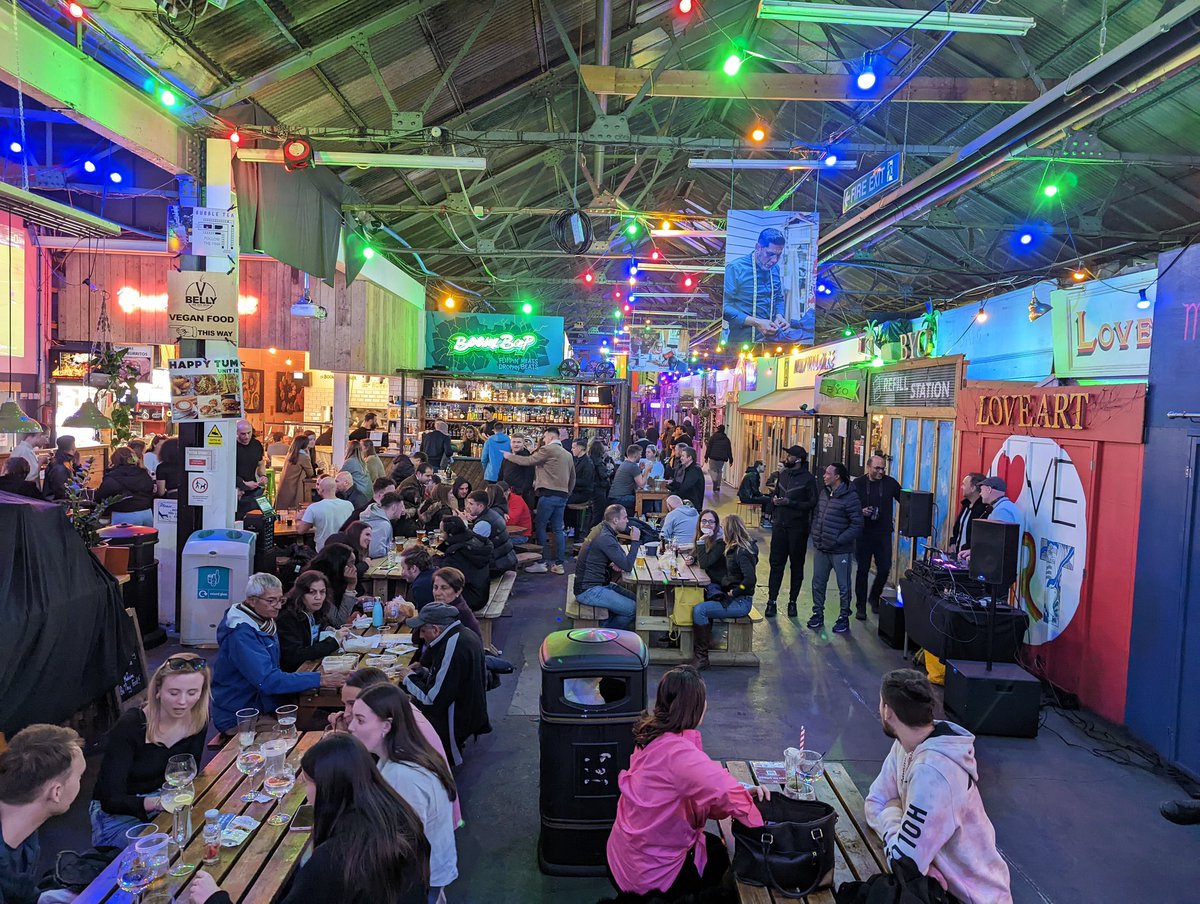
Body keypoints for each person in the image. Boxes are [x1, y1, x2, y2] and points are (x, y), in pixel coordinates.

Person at [188, 734, 430, 904]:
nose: (304, 789)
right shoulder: (400, 816)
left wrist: (214, 898)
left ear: (328, 788)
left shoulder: (333, 861)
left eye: (307, 781)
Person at [607, 666, 766, 899]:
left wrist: (740, 791)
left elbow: (698, 790)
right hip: (650, 875)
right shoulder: (679, 754)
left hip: (624, 855)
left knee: (715, 850)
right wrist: (765, 823)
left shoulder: (652, 734)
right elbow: (722, 791)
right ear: (695, 707)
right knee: (722, 864)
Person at [865, 669, 1013, 904]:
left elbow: (904, 863)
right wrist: (921, 859)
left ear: (887, 711)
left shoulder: (934, 774)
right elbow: (875, 801)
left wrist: (892, 813)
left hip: (971, 898)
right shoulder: (905, 744)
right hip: (941, 887)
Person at [349, 685, 459, 897]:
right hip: (429, 872)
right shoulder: (401, 756)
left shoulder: (402, 776)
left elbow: (403, 846)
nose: (351, 727)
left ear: (386, 726)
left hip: (421, 881)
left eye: (360, 720)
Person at [89, 653, 210, 846]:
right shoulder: (132, 725)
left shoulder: (198, 721)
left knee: (207, 836)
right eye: (174, 692)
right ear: (158, 690)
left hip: (164, 797)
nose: (182, 702)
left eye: (192, 693)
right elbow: (110, 799)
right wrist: (157, 803)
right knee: (163, 852)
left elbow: (188, 776)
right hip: (118, 813)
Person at [210, 573, 344, 733]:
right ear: (252, 601)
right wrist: (319, 679)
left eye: (280, 600)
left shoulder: (264, 620)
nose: (278, 606)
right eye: (271, 600)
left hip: (267, 703)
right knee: (313, 735)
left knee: (333, 720)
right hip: (242, 714)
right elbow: (267, 680)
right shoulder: (241, 634)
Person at [0, 724, 87, 904]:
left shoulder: (24, 831)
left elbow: (15, 889)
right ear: (56, 792)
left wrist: (41, 898)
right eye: (79, 777)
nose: (80, 783)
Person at [400, 602, 491, 766]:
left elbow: (432, 700)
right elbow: (449, 678)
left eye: (422, 630)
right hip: (472, 708)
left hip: (456, 718)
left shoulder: (452, 646)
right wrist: (422, 672)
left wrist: (408, 678)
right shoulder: (463, 633)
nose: (420, 636)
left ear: (436, 630)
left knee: (398, 708)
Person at [722, 226, 813, 348]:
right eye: (770, 254)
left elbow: (778, 298)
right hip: (740, 341)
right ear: (758, 248)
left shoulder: (774, 269)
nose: (774, 260)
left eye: (778, 255)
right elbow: (725, 307)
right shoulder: (735, 268)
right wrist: (757, 322)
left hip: (771, 341)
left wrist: (779, 316)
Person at [501, 427, 575, 575]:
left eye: (544, 437)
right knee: (558, 529)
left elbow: (529, 461)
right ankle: (559, 564)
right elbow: (572, 478)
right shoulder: (568, 454)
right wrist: (567, 494)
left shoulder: (548, 450)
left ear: (549, 436)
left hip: (548, 495)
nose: (543, 439)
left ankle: (541, 562)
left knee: (540, 526)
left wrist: (510, 457)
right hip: (562, 495)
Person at [691, 515, 758, 670]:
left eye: (722, 527)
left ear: (729, 530)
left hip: (741, 602)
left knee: (699, 610)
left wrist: (735, 592)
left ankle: (701, 657)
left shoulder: (741, 552)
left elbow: (750, 580)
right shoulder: (736, 548)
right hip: (736, 598)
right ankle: (705, 648)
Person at [809, 463, 865, 635]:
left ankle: (843, 617)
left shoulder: (850, 497)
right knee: (818, 583)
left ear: (837, 477)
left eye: (828, 473)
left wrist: (838, 540)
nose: (824, 476)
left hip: (840, 551)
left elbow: (857, 524)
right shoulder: (824, 493)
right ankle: (817, 613)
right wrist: (816, 533)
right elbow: (818, 514)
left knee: (843, 586)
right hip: (822, 547)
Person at [766, 445, 818, 619]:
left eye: (789, 455)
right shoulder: (783, 475)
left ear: (798, 459)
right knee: (776, 564)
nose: (786, 457)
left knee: (796, 566)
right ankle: (771, 601)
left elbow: (812, 503)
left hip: (798, 528)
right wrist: (774, 502)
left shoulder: (809, 479)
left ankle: (792, 602)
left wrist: (790, 503)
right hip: (780, 526)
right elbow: (777, 492)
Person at [573, 504, 641, 630]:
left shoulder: (603, 528)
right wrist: (635, 541)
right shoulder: (605, 537)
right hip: (589, 590)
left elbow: (621, 557)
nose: (627, 521)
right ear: (615, 520)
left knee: (638, 601)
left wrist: (614, 561)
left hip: (598, 584)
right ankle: (605, 635)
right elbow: (627, 566)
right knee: (633, 609)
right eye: (625, 517)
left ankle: (607, 625)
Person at [852, 454, 903, 620]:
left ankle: (874, 597)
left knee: (884, 569)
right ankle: (860, 606)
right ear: (868, 467)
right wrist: (860, 512)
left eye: (883, 468)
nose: (881, 471)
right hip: (864, 533)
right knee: (862, 570)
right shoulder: (858, 484)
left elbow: (905, 500)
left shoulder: (890, 483)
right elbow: (848, 506)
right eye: (877, 468)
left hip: (883, 533)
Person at [277, 571, 353, 672]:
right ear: (301, 594)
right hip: (295, 673)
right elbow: (295, 656)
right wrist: (333, 641)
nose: (318, 597)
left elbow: (316, 630)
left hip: (313, 665)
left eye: (322, 592)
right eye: (312, 592)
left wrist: (327, 629)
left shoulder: (317, 610)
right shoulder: (287, 618)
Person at [439, 517, 492, 613]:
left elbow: (443, 573)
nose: (440, 534)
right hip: (481, 592)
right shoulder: (474, 540)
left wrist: (434, 558)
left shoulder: (456, 553)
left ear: (450, 534)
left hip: (471, 600)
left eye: (442, 531)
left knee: (431, 586)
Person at [96, 445, 156, 526]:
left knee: (123, 538)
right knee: (147, 538)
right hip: (146, 512)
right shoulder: (143, 473)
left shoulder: (113, 476)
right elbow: (151, 489)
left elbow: (101, 496)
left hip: (124, 514)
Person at [307, 542, 364, 624]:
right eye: (351, 563)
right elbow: (339, 621)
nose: (355, 568)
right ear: (338, 564)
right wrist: (351, 588)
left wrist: (357, 604)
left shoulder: (338, 580)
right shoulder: (318, 584)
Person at [465, 490, 517, 575]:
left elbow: (470, 546)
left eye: (471, 504)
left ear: (480, 506)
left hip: (495, 567)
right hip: (506, 561)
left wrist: (463, 523)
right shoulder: (492, 514)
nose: (467, 507)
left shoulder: (484, 523)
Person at [300, 476, 355, 551]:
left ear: (321, 490)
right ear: (335, 489)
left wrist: (299, 518)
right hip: (345, 549)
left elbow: (301, 530)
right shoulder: (349, 505)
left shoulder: (313, 508)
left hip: (323, 551)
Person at [682, 510, 726, 592]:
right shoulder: (704, 536)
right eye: (704, 521)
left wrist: (701, 541)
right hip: (706, 577)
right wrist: (692, 558)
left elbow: (704, 564)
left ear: (716, 524)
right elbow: (696, 551)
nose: (707, 524)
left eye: (711, 522)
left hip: (716, 583)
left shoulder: (721, 541)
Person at [947, 472, 988, 556]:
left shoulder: (983, 510)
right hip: (958, 555)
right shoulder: (966, 505)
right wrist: (953, 542)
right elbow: (958, 529)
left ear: (973, 488)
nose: (962, 487)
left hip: (970, 557)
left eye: (964, 485)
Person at [360, 491, 406, 559]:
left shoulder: (372, 514)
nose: (403, 510)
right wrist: (390, 547)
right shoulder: (383, 525)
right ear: (394, 507)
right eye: (401, 506)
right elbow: (375, 552)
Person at [235, 420, 266, 517]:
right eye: (243, 434)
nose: (247, 437)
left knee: (256, 520)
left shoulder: (256, 444)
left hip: (253, 491)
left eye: (249, 433)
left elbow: (260, 464)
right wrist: (242, 483)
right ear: (236, 433)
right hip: (237, 491)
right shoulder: (231, 446)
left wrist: (263, 476)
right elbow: (225, 471)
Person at [276, 434, 315, 510]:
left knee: (284, 508)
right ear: (305, 444)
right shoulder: (303, 456)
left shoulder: (291, 454)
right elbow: (311, 473)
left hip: (285, 486)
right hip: (295, 487)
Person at [500, 434, 535, 512]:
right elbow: (501, 473)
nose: (516, 444)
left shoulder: (527, 458)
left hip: (521, 495)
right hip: (506, 494)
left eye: (519, 442)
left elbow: (529, 478)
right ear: (510, 443)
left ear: (523, 444)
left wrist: (522, 492)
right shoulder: (507, 456)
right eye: (514, 442)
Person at [608, 444, 646, 516]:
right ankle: (641, 520)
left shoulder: (625, 463)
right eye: (640, 454)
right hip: (621, 498)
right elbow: (641, 484)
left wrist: (640, 469)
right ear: (635, 455)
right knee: (644, 502)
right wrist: (647, 471)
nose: (641, 456)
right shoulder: (633, 466)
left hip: (613, 497)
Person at [567, 438, 597, 529]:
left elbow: (586, 482)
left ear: (580, 448)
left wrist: (571, 480)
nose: (572, 449)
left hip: (583, 493)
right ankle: (569, 526)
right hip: (576, 491)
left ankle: (570, 526)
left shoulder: (588, 463)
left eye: (573, 447)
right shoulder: (577, 460)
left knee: (562, 501)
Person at [667, 445, 705, 512]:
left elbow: (685, 488)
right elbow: (679, 484)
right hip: (685, 502)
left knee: (666, 500)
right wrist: (668, 486)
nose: (681, 458)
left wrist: (672, 493)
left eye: (683, 456)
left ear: (689, 457)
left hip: (692, 506)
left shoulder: (695, 470)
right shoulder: (685, 469)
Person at [39, 436, 77, 502]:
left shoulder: (65, 461)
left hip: (59, 501)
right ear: (73, 447)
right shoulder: (60, 466)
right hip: (57, 504)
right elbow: (61, 491)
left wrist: (77, 465)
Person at [398, 546, 436, 610]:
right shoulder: (436, 571)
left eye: (403, 568)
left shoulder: (420, 586)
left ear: (413, 568)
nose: (402, 573)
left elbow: (424, 615)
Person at [702, 424, 732, 496]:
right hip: (722, 458)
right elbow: (729, 450)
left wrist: (706, 457)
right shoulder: (726, 439)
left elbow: (709, 447)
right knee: (719, 471)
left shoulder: (713, 437)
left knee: (713, 470)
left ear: (718, 429)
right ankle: (718, 485)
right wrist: (731, 459)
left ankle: (715, 482)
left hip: (713, 457)